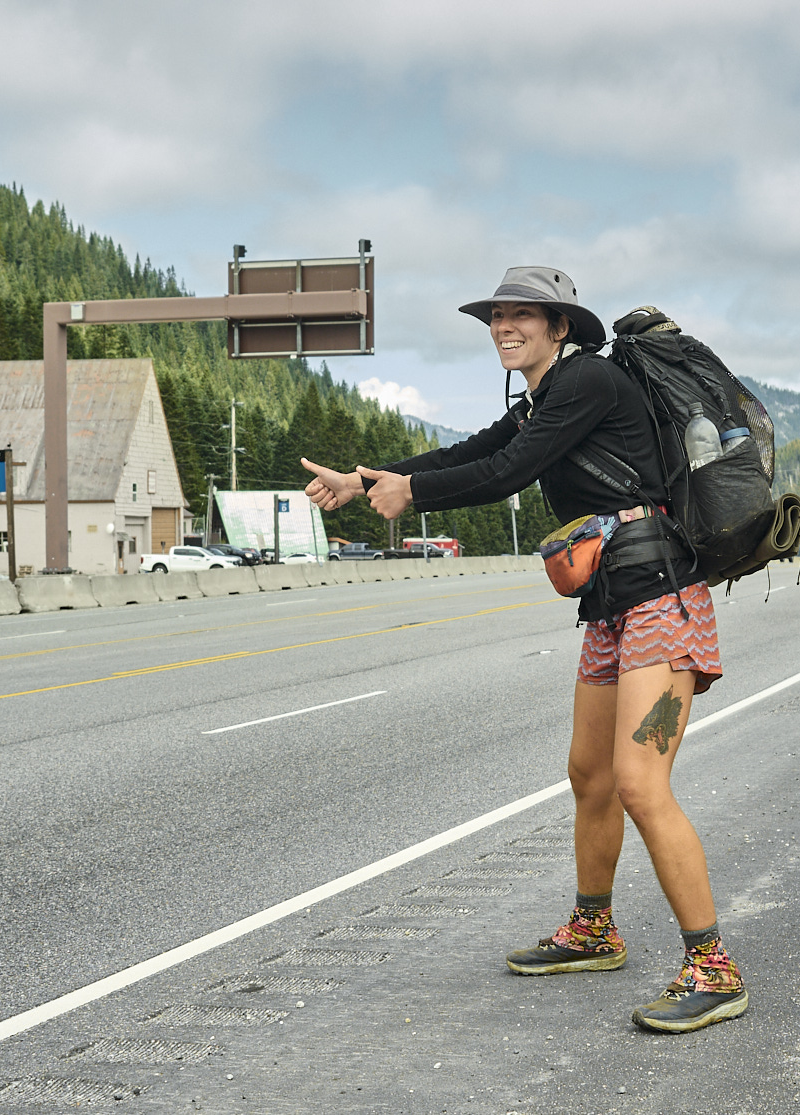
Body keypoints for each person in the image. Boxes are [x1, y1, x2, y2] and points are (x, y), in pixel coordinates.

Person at [300, 266, 747, 1032]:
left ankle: (714, 966)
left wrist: (413, 495)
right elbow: (478, 446)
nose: (505, 327)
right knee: (589, 773)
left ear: (560, 326)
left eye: (522, 317)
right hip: (612, 601)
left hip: (662, 595)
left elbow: (509, 471)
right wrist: (372, 476)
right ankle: (594, 927)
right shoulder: (547, 395)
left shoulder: (589, 384)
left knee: (640, 783)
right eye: (497, 317)